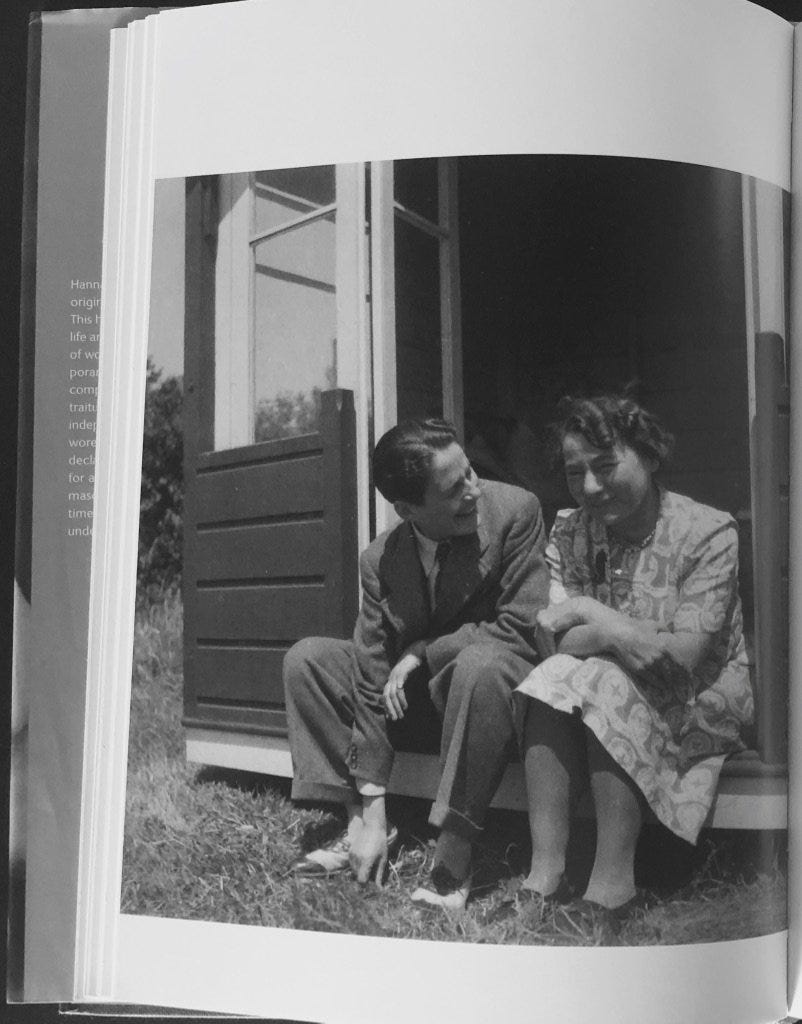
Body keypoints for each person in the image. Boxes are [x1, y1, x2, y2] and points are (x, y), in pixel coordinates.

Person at [283, 418, 549, 908]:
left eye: (470, 472)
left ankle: (454, 852)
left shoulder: (515, 510)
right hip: (419, 704)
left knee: (480, 664)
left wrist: (423, 650)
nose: (475, 490)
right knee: (309, 660)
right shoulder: (380, 559)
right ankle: (361, 828)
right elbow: (370, 669)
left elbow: (522, 625)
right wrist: (374, 803)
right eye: (455, 488)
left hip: (491, 694)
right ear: (408, 510)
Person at [514, 394, 754, 920]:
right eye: (577, 473)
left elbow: (684, 654)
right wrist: (619, 635)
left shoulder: (708, 532)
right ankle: (545, 873)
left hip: (700, 696)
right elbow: (554, 642)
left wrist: (587, 614)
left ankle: (612, 885)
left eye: (605, 466)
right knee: (557, 674)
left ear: (647, 456)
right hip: (605, 680)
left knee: (599, 677)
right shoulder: (571, 531)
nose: (592, 488)